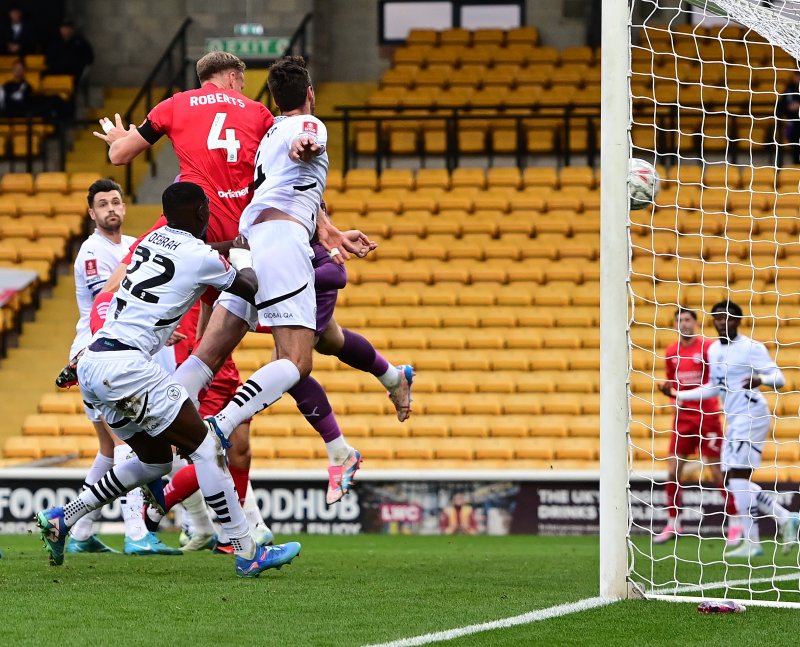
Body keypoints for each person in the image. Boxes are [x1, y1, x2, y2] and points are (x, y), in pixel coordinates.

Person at [36, 182, 301, 578]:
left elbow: (202, 256)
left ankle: (64, 516)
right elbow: (247, 285)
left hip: (95, 361)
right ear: (200, 214)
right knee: (207, 447)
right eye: (207, 209)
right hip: (127, 367)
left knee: (155, 461)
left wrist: (230, 244)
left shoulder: (153, 239)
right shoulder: (199, 256)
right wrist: (244, 253)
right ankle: (247, 552)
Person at [65, 178, 181, 556]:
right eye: (103, 204)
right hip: (99, 353)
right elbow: (107, 304)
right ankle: (135, 532)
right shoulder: (92, 253)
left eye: (116, 201)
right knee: (127, 442)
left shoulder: (135, 246)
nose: (111, 208)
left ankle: (79, 530)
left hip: (118, 352)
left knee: (106, 448)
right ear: (91, 213)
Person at [671, 300, 800, 559]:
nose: (722, 321)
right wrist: (679, 394)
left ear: (738, 321)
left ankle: (756, 539)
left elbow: (780, 379)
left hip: (752, 415)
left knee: (736, 477)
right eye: (718, 317)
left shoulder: (751, 348)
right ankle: (784, 518)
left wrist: (760, 379)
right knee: (734, 480)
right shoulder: (714, 351)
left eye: (728, 317)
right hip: (735, 419)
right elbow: (714, 387)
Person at [656, 307, 738, 545]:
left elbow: (717, 379)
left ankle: (734, 522)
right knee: (672, 470)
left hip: (708, 416)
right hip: (682, 418)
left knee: (716, 472)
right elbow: (672, 384)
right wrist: (672, 397)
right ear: (675, 325)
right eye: (679, 320)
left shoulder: (708, 348)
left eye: (688, 319)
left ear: (696, 323)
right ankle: (674, 522)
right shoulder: (671, 351)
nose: (684, 323)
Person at [779, 70, 800, 164]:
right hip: (793, 124)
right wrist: (788, 107)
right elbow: (780, 107)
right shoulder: (789, 90)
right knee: (795, 147)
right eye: (797, 75)